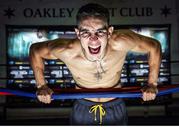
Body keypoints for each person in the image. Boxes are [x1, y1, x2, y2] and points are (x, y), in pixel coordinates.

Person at [29, 3, 162, 125]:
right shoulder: (67, 50)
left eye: (100, 32)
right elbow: (35, 50)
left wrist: (152, 84)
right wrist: (42, 85)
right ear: (77, 33)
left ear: (109, 32)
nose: (94, 39)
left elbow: (154, 46)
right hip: (83, 105)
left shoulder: (121, 42)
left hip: (115, 104)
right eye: (86, 32)